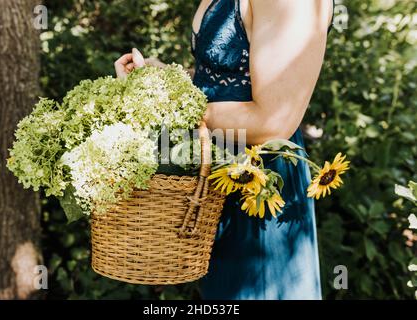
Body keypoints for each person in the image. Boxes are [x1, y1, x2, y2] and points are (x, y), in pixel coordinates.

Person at [114, 0, 335, 300]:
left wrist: (171, 106)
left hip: (259, 188)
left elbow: (272, 121)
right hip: (216, 180)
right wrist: (162, 80)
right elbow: (225, 80)